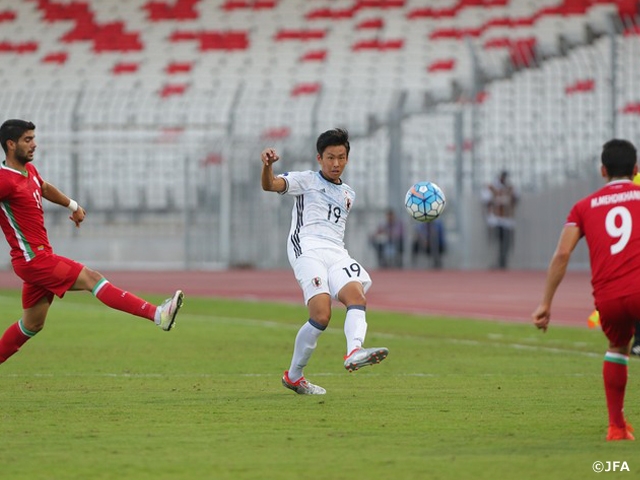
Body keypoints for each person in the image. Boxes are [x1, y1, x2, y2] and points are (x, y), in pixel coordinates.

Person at [0, 119, 184, 367]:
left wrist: (72, 205)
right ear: (11, 144)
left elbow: (43, 187)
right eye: (28, 140)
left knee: (32, 325)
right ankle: (158, 315)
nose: (35, 144)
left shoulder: (28, 171)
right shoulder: (5, 181)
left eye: (34, 138)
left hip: (36, 259)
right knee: (92, 278)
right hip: (34, 260)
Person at [261, 128, 388, 395]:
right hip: (306, 247)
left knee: (357, 296)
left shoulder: (348, 194)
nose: (336, 164)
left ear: (347, 159)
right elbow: (270, 185)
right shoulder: (305, 180)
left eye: (341, 157)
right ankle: (294, 376)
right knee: (321, 314)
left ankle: (354, 351)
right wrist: (268, 167)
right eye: (330, 157)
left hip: (336, 252)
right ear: (319, 158)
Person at [531, 139, 639, 441]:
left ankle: (616, 427)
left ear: (603, 170)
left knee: (618, 348)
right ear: (636, 169)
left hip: (608, 297)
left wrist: (545, 303)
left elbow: (562, 254)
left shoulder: (583, 206)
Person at [482, 170, 518, 269]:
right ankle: (495, 261)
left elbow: (515, 200)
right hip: (495, 219)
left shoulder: (510, 188)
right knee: (495, 241)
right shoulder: (491, 188)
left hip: (507, 220)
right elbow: (486, 201)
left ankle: (503, 261)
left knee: (506, 242)